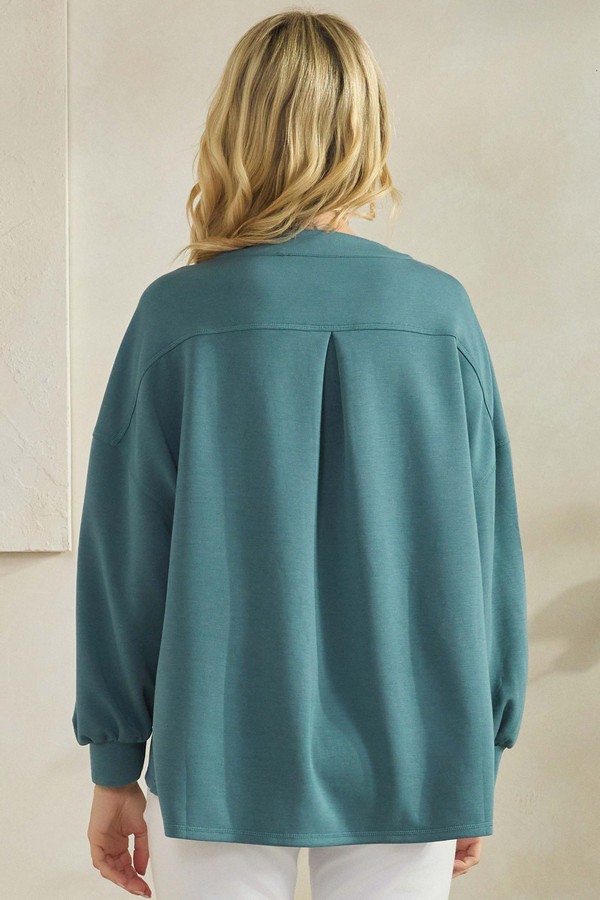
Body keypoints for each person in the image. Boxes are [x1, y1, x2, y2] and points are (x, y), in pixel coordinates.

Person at [71, 9, 528, 899]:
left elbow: (124, 559)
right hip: (417, 751)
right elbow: (487, 553)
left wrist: (115, 763)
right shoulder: (441, 316)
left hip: (219, 751)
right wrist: (478, 749)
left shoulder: (177, 317)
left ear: (233, 126)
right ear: (367, 132)